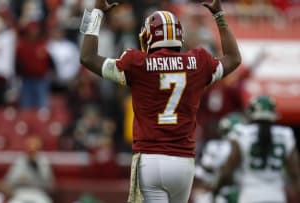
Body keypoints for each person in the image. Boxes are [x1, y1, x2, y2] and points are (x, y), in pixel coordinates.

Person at [79, 0, 241, 202]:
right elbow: (234, 58)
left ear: (149, 36)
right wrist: (218, 15)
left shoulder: (137, 64)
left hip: (151, 159)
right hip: (184, 161)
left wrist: (96, 13)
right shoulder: (198, 61)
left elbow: (87, 57)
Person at [214, 95, 300, 203]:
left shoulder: (242, 133)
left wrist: (216, 190)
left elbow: (228, 171)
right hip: (277, 196)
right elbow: (294, 173)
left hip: (250, 196)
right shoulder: (286, 134)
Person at [193, 112, 245, 203]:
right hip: (242, 193)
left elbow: (202, 174)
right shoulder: (246, 146)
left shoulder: (215, 146)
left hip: (219, 193)